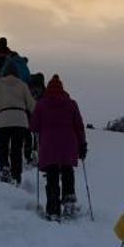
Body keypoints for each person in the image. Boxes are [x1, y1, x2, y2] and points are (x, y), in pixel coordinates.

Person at [30, 74, 87, 220]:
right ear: (62, 89)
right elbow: (79, 127)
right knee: (68, 172)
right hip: (69, 145)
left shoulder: (42, 104)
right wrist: (82, 145)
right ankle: (69, 202)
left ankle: (53, 209)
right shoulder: (71, 104)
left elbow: (34, 126)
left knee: (52, 176)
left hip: (49, 146)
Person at [0, 68, 36, 184]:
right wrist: (37, 119)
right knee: (16, 150)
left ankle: (4, 168)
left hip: (3, 120)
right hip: (20, 121)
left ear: (3, 74)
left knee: (2, 148)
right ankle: (16, 176)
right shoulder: (22, 85)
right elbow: (31, 104)